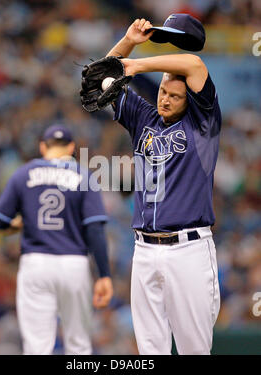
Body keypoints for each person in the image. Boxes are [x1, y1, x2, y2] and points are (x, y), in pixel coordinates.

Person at [105, 16, 221, 355]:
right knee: (149, 352)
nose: (166, 100)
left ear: (190, 102)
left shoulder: (203, 125)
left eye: (174, 96)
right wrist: (128, 42)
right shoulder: (144, 117)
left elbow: (194, 63)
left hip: (189, 249)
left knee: (193, 351)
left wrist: (137, 65)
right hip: (144, 250)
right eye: (162, 91)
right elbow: (104, 77)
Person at [0, 124, 113, 355]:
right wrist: (104, 274)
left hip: (36, 263)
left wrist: (18, 224)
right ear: (71, 147)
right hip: (73, 264)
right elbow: (95, 229)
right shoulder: (83, 175)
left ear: (43, 147)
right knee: (79, 345)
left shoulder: (23, 174)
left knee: (37, 346)